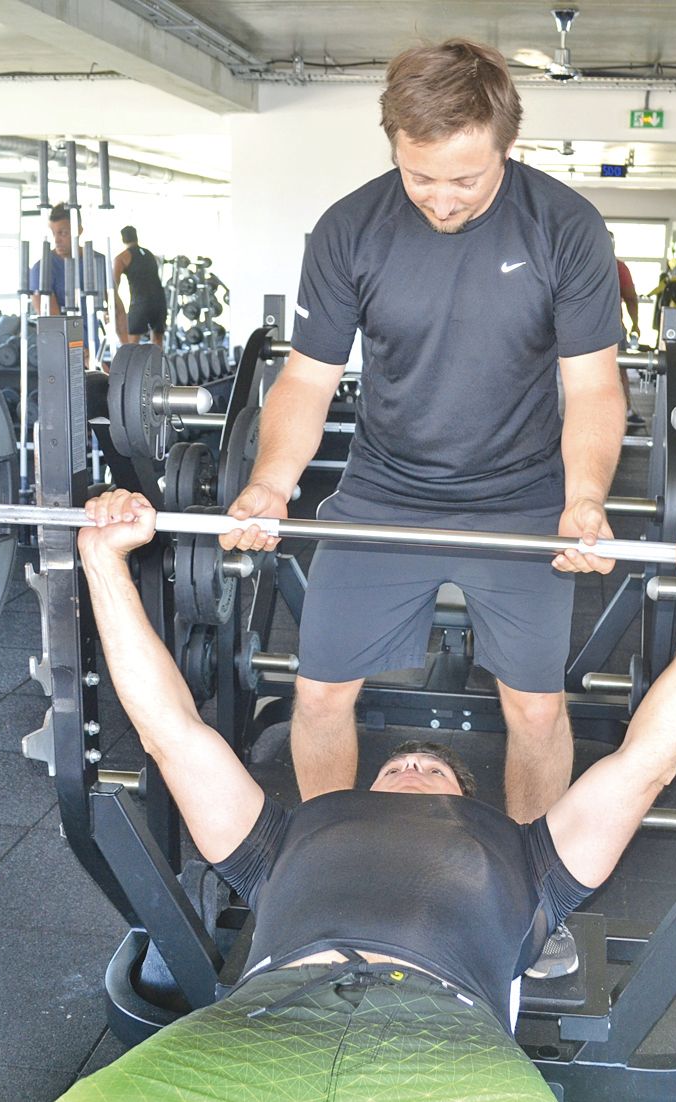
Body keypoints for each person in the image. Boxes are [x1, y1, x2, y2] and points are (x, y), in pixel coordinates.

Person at [63, 489, 676, 1102]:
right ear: (360, 794)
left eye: (432, 768)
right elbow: (172, 734)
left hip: (444, 1041)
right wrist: (102, 561)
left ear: (470, 806)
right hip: (260, 1024)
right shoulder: (283, 839)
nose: (415, 765)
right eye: (402, 765)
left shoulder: (530, 858)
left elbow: (648, 763)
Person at [220, 41, 626, 835]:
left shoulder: (567, 228)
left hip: (521, 499)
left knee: (537, 710)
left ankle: (523, 892)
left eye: (466, 180)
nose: (441, 200)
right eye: (420, 177)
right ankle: (327, 859)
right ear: (394, 147)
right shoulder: (349, 230)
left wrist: (584, 501)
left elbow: (593, 385)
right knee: (319, 693)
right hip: (383, 492)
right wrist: (271, 484)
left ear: (506, 146)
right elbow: (307, 378)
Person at [29, 204, 107, 318]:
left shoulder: (98, 261)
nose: (57, 240)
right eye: (54, 233)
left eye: (63, 233)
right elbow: (54, 324)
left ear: (79, 230)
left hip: (92, 334)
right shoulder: (41, 270)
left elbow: (116, 309)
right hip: (64, 335)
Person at [112, 226, 168, 344]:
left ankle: (133, 362)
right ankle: (157, 362)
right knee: (157, 341)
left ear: (122, 239)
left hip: (140, 301)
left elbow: (114, 285)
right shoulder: (149, 254)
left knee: (132, 342)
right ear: (136, 237)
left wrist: (112, 308)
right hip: (159, 300)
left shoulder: (121, 258)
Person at [613, 237, 647, 431]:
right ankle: (625, 411)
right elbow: (631, 298)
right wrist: (635, 324)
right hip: (610, 328)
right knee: (620, 367)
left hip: (579, 329)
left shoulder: (577, 263)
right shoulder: (618, 267)